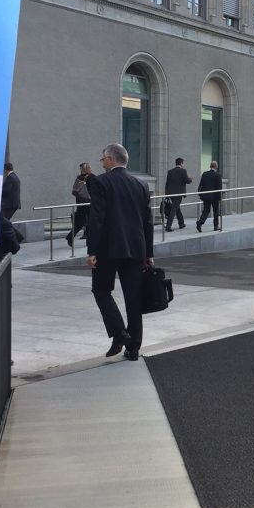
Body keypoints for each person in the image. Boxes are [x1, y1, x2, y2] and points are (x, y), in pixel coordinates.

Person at [86, 143, 154, 361]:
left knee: (101, 290)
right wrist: (149, 253)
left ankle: (119, 332)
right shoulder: (141, 185)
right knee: (134, 299)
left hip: (108, 249)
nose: (101, 162)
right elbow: (148, 222)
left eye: (103, 158)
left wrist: (92, 250)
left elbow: (97, 218)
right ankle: (133, 348)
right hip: (136, 249)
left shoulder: (100, 182)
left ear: (111, 159)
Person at [67, 162, 93, 246]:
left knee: (79, 223)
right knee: (90, 221)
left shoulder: (79, 178)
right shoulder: (92, 177)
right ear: (86, 169)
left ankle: (70, 237)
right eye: (89, 168)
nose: (91, 169)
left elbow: (75, 192)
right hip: (89, 203)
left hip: (80, 204)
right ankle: (88, 240)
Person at [164, 157, 192, 232]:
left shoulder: (170, 171)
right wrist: (190, 178)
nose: (183, 165)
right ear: (181, 163)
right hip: (178, 194)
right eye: (183, 163)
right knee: (174, 209)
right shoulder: (183, 171)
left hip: (171, 194)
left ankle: (181, 223)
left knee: (177, 208)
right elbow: (187, 181)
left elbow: (167, 184)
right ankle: (168, 226)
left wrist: (166, 195)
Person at [196, 161, 222, 232]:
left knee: (206, 210)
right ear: (216, 167)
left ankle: (200, 223)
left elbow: (201, 185)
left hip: (206, 196)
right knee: (216, 211)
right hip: (214, 196)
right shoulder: (218, 175)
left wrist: (200, 193)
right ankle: (216, 226)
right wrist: (220, 198)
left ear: (210, 166)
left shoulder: (205, 174)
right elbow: (219, 188)